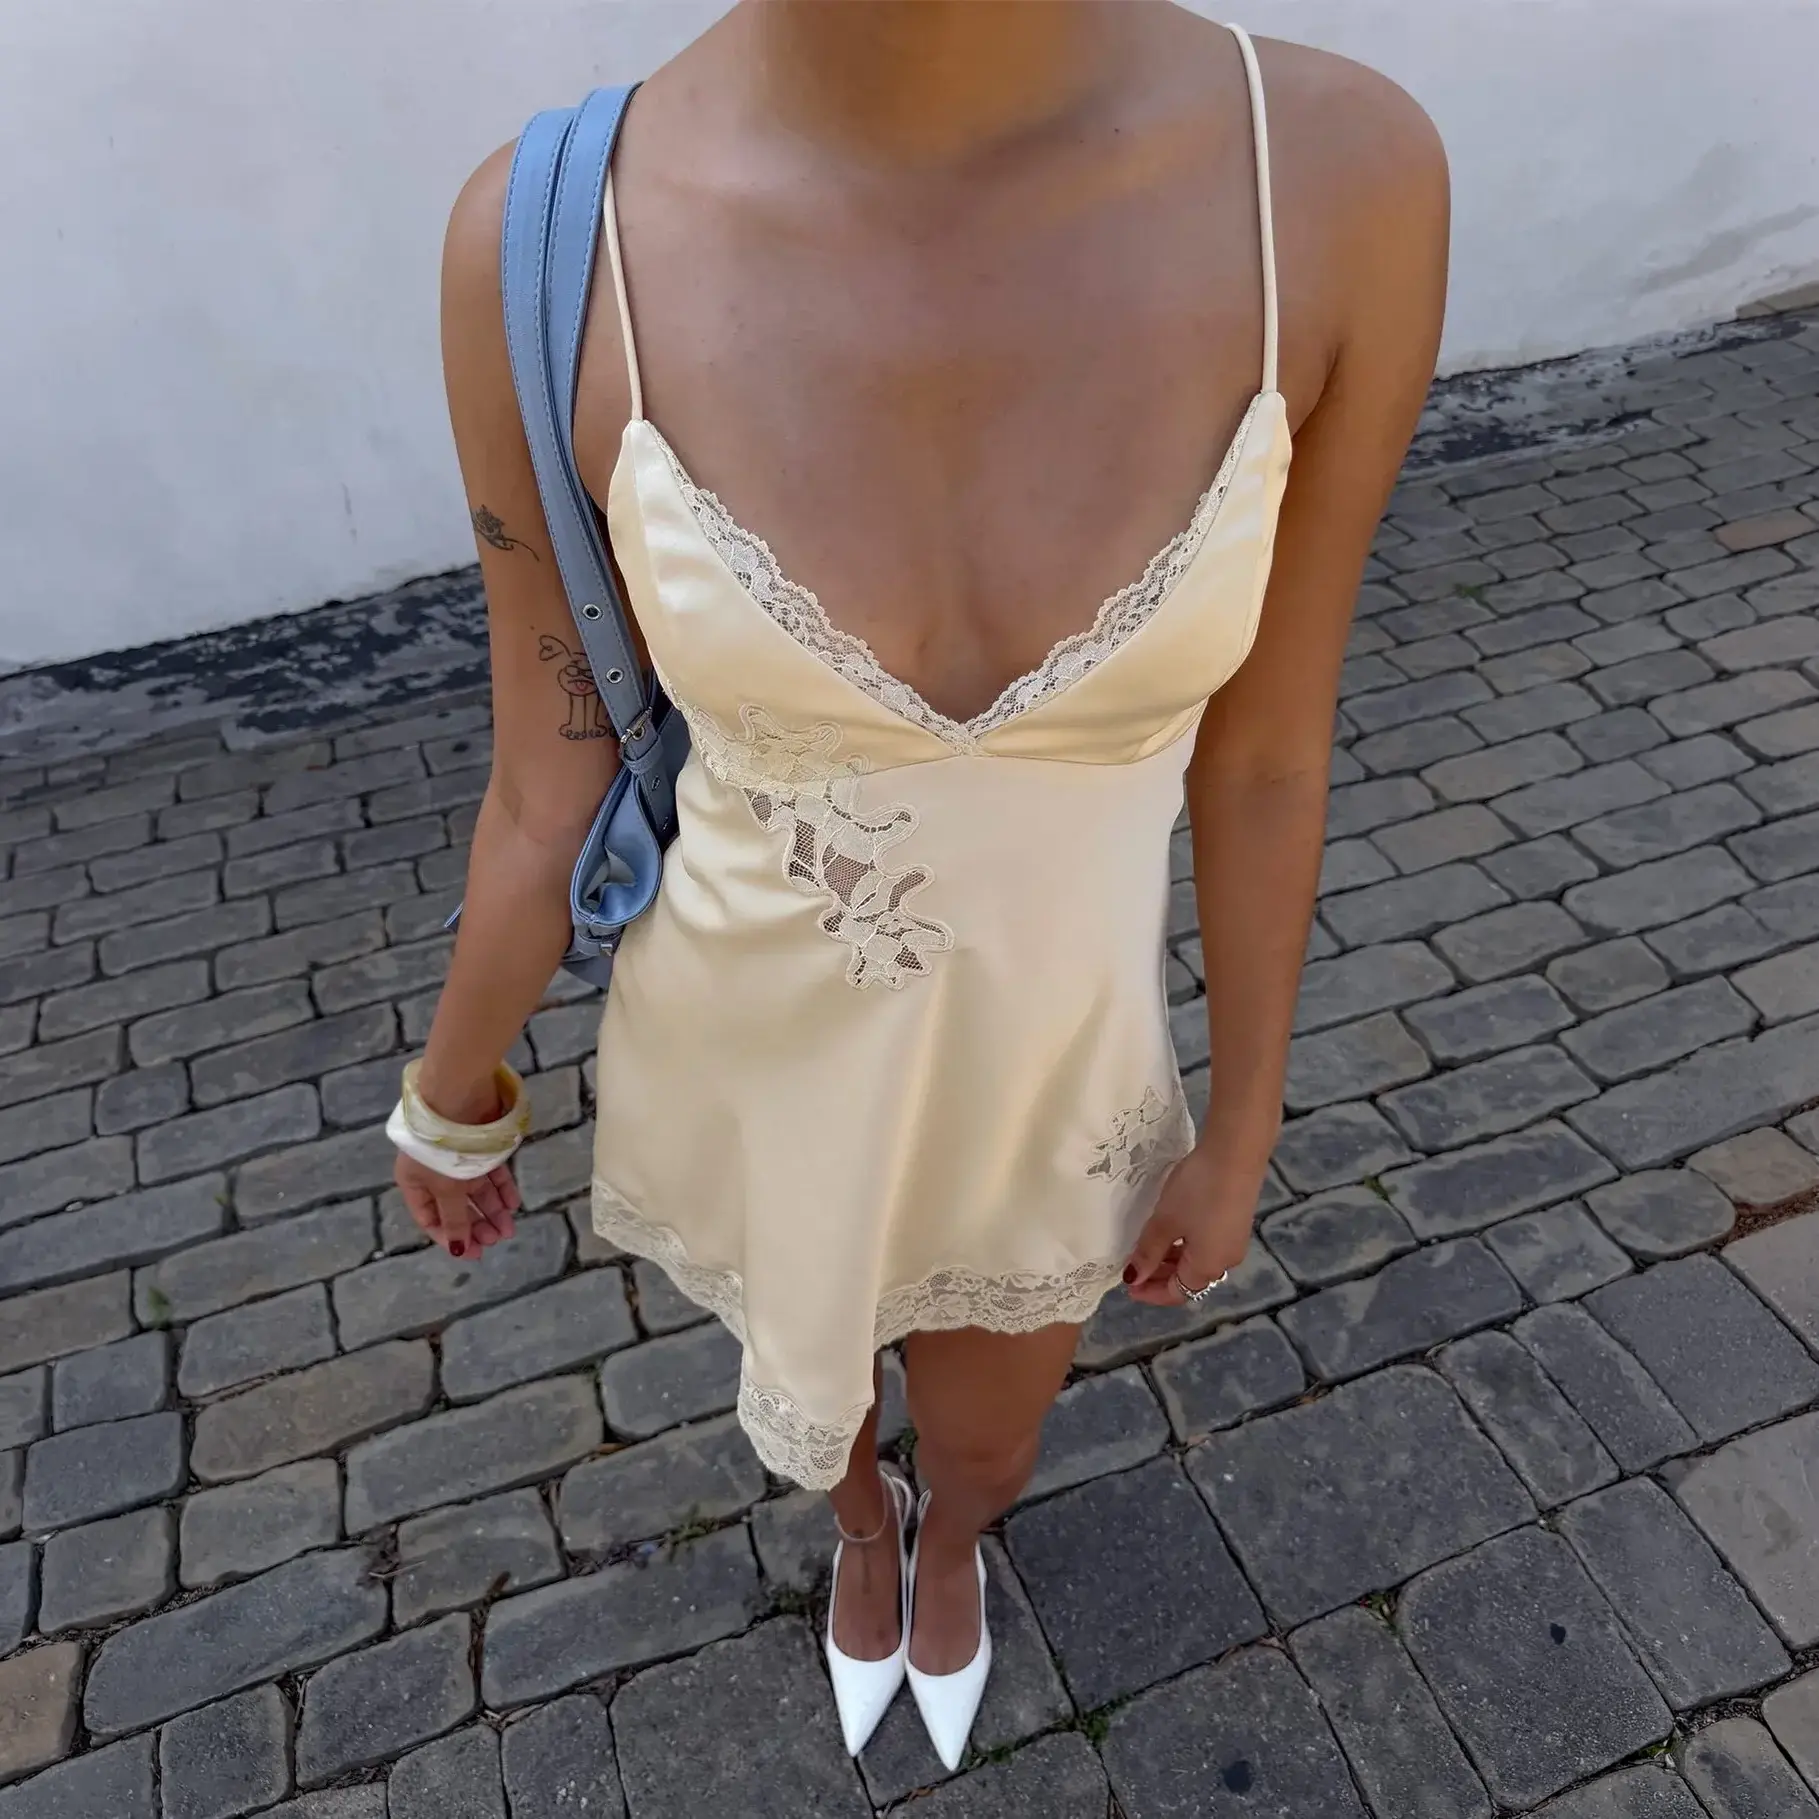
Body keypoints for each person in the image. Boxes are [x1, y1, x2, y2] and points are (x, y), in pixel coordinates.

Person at [393, 0, 1447, 1770]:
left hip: (1052, 1077)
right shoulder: (549, 242)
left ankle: (946, 1535)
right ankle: (860, 1535)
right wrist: (450, 1096)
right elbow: (541, 780)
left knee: (986, 1438)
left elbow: (1267, 751)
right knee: (814, 1409)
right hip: (751, 1045)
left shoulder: (1333, 181)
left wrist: (1243, 1117)